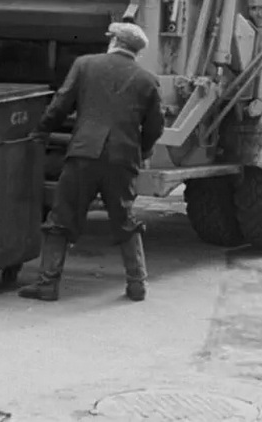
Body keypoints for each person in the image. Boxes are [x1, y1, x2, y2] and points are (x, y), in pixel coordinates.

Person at [19, 21, 165, 302]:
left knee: (61, 218)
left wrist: (42, 130)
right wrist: (141, 150)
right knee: (125, 219)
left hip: (84, 154)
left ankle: (48, 284)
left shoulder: (85, 65)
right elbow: (155, 127)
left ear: (113, 41)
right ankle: (137, 284)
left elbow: (62, 102)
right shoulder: (148, 80)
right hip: (122, 159)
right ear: (136, 51)